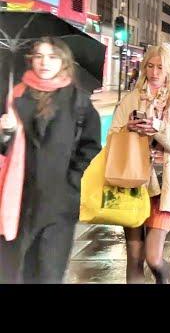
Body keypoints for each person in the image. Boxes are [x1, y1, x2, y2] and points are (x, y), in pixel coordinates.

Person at [0, 37, 101, 283]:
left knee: (48, 274)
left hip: (59, 204)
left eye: (52, 56)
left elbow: (91, 144)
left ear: (64, 62)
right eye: (39, 56)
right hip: (19, 202)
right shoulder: (15, 94)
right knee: (15, 273)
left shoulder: (78, 100)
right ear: (31, 60)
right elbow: (4, 150)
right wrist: (6, 132)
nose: (44, 62)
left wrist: (72, 179)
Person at [108, 43, 170, 284]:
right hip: (133, 184)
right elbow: (112, 137)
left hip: (164, 187)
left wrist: (158, 128)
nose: (154, 72)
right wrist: (128, 128)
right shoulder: (131, 99)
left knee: (153, 257)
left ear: (168, 70)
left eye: (160, 67)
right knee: (134, 258)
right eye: (150, 65)